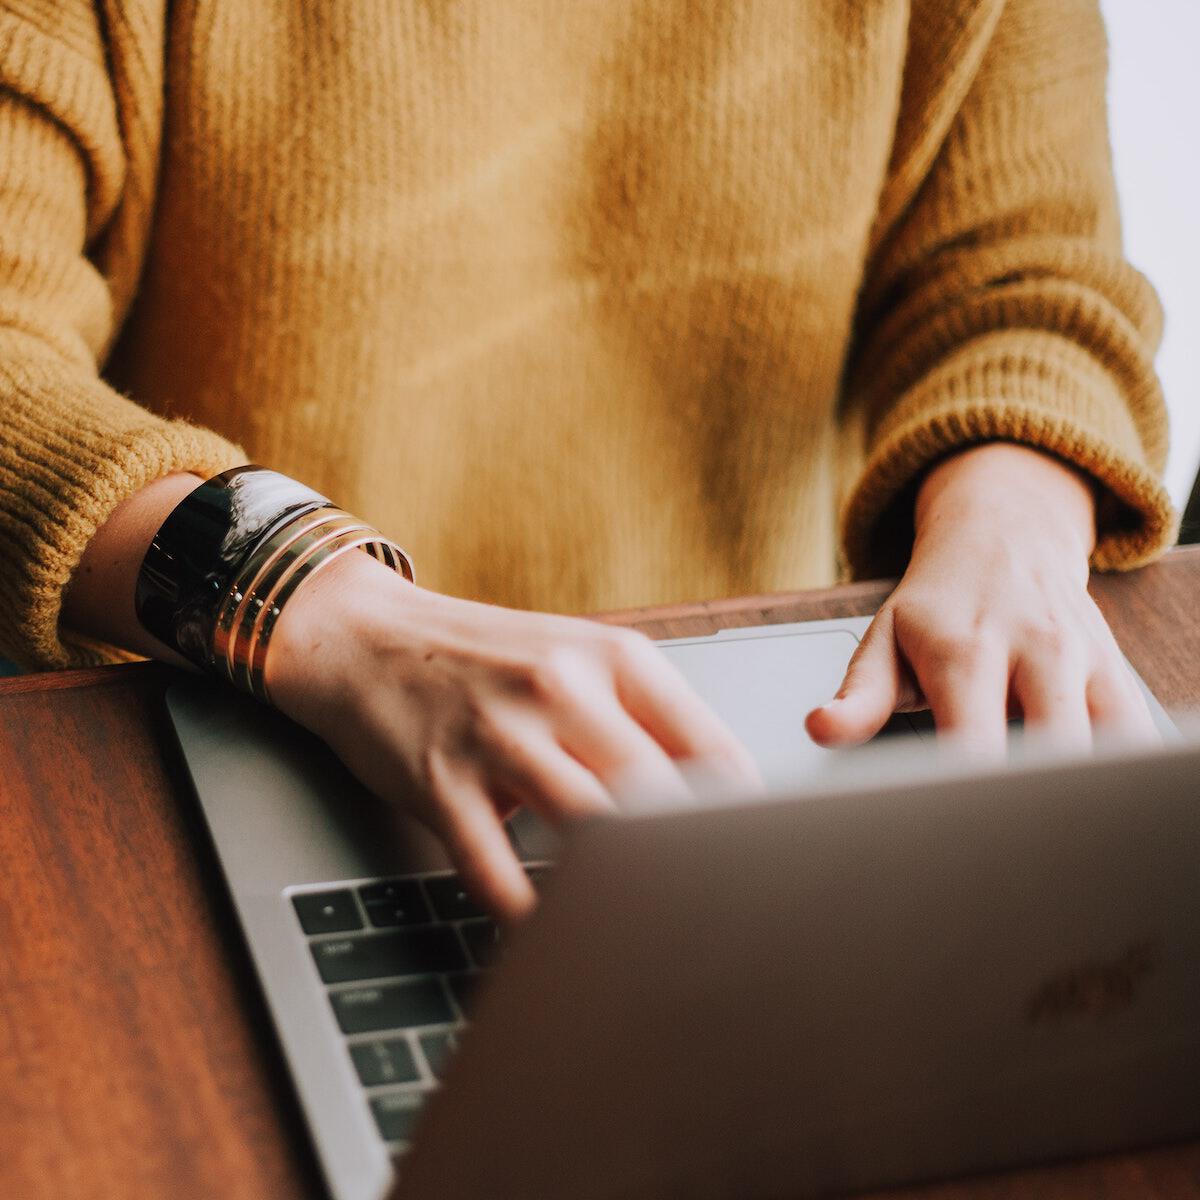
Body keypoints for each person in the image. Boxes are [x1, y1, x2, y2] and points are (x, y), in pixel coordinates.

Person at [0, 0, 1175, 919]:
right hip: (234, 734)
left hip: (756, 750)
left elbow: (1027, 277)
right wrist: (317, 608)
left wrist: (1011, 527)